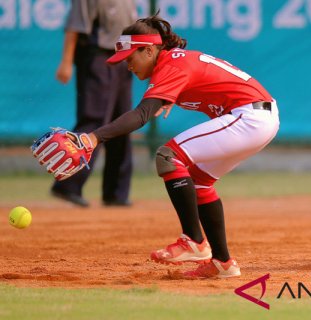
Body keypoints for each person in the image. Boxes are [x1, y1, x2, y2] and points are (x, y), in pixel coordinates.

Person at [70, 13, 279, 278]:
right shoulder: (172, 62)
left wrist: (94, 137)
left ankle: (194, 241)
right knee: (199, 181)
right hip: (259, 116)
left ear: (148, 50)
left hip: (249, 117)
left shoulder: (170, 65)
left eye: (130, 58)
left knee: (168, 156)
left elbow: (141, 115)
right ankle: (223, 263)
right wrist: (169, 98)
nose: (128, 67)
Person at [51, 0, 137, 207]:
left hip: (123, 58)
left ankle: (116, 192)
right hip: (98, 56)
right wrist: (66, 62)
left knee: (122, 122)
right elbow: (75, 26)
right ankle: (68, 185)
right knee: (94, 119)